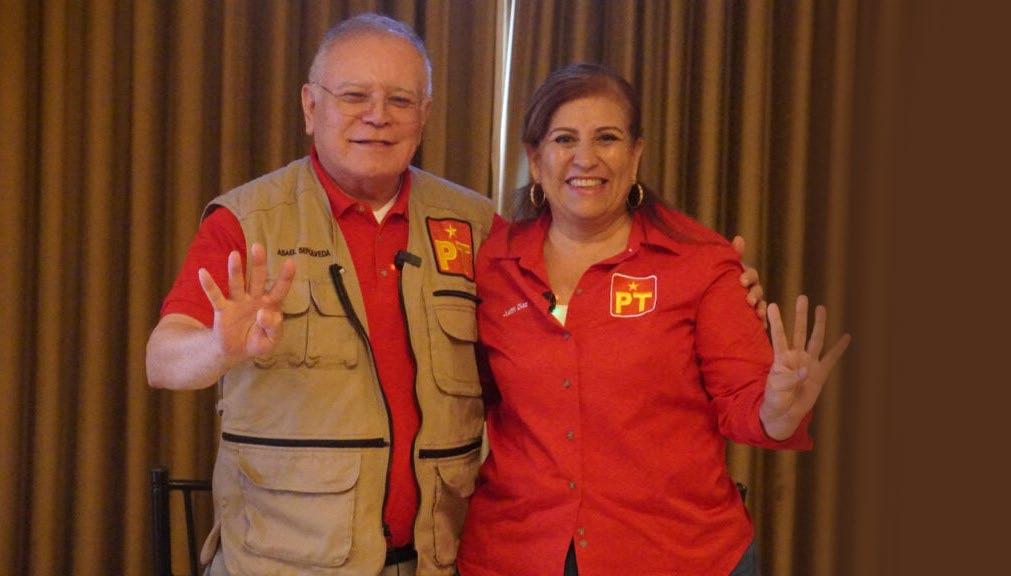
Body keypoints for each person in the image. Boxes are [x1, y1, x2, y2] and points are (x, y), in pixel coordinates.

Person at [146, 15, 766, 576]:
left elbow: (563, 316)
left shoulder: (474, 227)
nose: (377, 116)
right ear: (311, 106)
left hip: (439, 559)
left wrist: (713, 286)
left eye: (399, 100)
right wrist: (217, 348)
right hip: (284, 564)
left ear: (424, 115)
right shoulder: (247, 221)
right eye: (354, 96)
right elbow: (163, 358)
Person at [456, 63, 850, 576]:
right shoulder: (490, 263)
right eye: (564, 139)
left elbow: (748, 406)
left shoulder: (700, 261)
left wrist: (778, 408)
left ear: (635, 154)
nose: (585, 158)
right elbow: (463, 395)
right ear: (535, 159)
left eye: (607, 138)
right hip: (515, 554)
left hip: (677, 555)